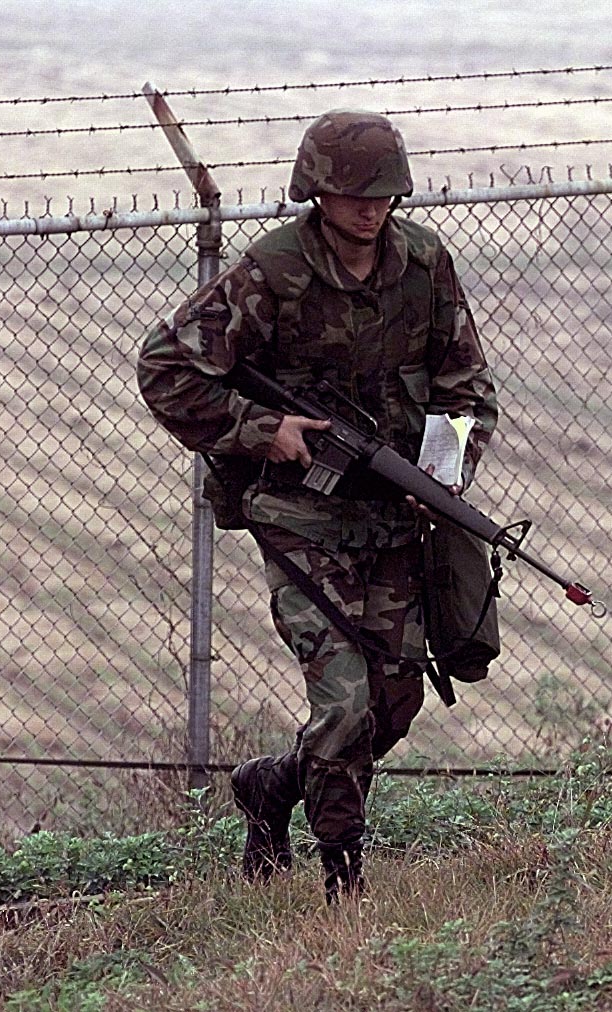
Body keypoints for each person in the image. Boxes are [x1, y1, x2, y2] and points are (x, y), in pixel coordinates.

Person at [137, 109, 498, 903]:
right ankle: (344, 887)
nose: (370, 208)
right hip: (299, 519)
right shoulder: (272, 271)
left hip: (397, 516)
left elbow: (466, 383)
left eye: (383, 194)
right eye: (352, 193)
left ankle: (273, 786)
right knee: (345, 701)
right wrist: (263, 430)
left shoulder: (424, 263)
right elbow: (165, 367)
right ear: (317, 192)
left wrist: (444, 473)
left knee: (394, 701)